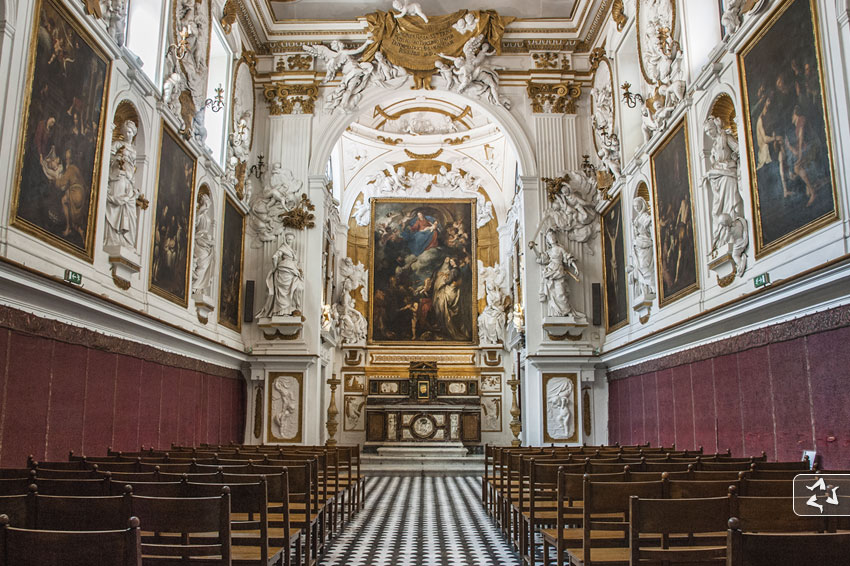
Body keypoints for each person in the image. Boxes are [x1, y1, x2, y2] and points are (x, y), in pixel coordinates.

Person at [104, 120, 140, 249]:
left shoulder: (135, 150)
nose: (128, 134)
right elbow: (107, 157)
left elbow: (135, 167)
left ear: (134, 133)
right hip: (118, 177)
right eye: (126, 132)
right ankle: (113, 238)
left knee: (129, 210)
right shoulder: (118, 144)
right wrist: (117, 158)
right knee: (116, 205)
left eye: (130, 132)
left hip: (129, 181)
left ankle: (124, 240)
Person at [257, 231, 304, 318]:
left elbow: (294, 262)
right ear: (285, 239)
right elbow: (275, 256)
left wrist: (298, 270)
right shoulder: (283, 248)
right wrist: (274, 267)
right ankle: (280, 312)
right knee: (283, 292)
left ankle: (290, 310)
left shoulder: (291, 250)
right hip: (284, 269)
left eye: (291, 239)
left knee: (293, 289)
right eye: (288, 239)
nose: (289, 241)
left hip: (292, 270)